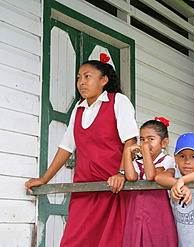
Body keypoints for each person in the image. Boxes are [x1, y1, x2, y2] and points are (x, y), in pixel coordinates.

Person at [25, 54, 139, 247]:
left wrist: (120, 174)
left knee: (111, 242)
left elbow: (130, 141)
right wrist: (44, 179)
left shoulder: (118, 101)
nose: (81, 82)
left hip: (113, 187)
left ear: (104, 80)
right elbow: (66, 147)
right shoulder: (78, 108)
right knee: (73, 241)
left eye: (87, 76)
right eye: (79, 77)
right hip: (84, 188)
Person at [122, 117, 178, 247]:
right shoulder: (137, 162)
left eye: (150, 139)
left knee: (158, 241)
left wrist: (145, 150)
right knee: (136, 240)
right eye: (142, 139)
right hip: (136, 211)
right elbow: (131, 177)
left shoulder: (167, 160)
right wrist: (127, 153)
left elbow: (151, 175)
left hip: (158, 212)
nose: (145, 143)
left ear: (164, 143)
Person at [155, 133, 194, 247]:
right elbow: (158, 177)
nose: (187, 161)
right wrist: (178, 183)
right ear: (175, 158)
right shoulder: (174, 174)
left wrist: (182, 180)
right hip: (177, 242)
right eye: (182, 156)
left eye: (193, 156)